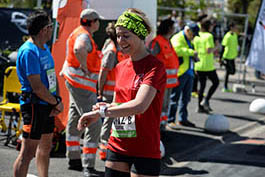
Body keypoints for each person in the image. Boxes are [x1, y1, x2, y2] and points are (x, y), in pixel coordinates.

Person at [78, 8, 166, 177]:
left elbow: (139, 105)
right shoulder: (121, 66)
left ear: (140, 35)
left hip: (145, 146)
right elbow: (120, 104)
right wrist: (99, 111)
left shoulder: (155, 67)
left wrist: (104, 111)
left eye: (126, 36)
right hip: (118, 142)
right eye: (118, 36)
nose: (120, 41)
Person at [14, 10, 63, 177]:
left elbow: (51, 75)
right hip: (34, 105)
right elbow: (37, 87)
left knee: (46, 147)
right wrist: (55, 102)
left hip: (47, 104)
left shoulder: (44, 48)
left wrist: (57, 99)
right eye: (50, 26)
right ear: (44, 30)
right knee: (27, 153)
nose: (52, 29)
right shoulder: (29, 51)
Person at [60, 8, 102, 177]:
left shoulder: (77, 32)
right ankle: (88, 165)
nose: (99, 22)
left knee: (74, 118)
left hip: (74, 81)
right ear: (92, 22)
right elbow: (79, 50)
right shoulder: (84, 35)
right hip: (81, 84)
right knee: (94, 121)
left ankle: (74, 158)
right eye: (98, 20)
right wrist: (84, 65)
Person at [97, 22, 129, 160]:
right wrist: (100, 90)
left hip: (118, 91)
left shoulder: (116, 48)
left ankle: (114, 148)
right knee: (109, 119)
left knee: (116, 119)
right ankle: (104, 149)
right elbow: (103, 72)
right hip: (110, 92)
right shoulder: (111, 50)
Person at [167, 22, 200, 129]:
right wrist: (191, 52)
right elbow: (176, 50)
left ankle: (183, 119)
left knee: (186, 98)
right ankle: (170, 119)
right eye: (193, 34)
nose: (194, 37)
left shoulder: (188, 39)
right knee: (174, 98)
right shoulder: (178, 37)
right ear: (188, 30)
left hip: (188, 71)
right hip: (180, 72)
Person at [149, 18, 179, 129]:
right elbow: (151, 59)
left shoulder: (168, 42)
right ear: (169, 28)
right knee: (159, 104)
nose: (174, 29)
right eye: (173, 27)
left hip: (169, 81)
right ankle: (157, 125)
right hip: (160, 81)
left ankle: (163, 124)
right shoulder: (157, 42)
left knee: (165, 104)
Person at [193, 19, 219, 113]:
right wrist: (217, 46)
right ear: (208, 26)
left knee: (202, 85)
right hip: (207, 64)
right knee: (215, 82)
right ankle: (206, 100)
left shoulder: (196, 36)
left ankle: (200, 107)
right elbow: (209, 50)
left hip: (198, 64)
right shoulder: (209, 36)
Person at [191, 13, 208, 98]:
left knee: (196, 73)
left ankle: (195, 90)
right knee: (195, 73)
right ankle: (194, 90)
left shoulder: (200, 26)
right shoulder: (197, 26)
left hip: (198, 51)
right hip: (195, 50)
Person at [219, 21, 239, 92]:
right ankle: (225, 87)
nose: (236, 28)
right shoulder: (227, 36)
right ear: (231, 27)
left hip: (232, 56)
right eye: (235, 27)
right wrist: (220, 58)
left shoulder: (235, 35)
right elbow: (223, 47)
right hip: (227, 56)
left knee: (233, 71)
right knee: (228, 72)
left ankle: (225, 86)